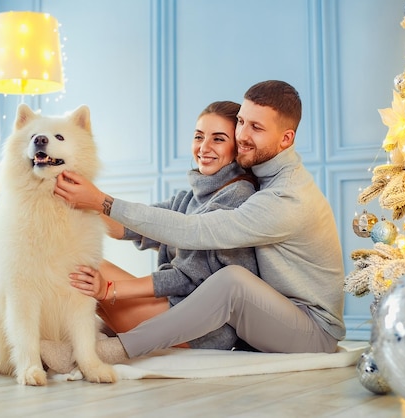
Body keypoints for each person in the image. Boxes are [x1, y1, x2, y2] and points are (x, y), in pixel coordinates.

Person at [54, 80, 346, 364]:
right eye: (241, 122)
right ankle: (76, 344)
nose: (243, 134)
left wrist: (101, 201)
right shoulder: (253, 180)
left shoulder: (286, 197)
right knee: (78, 260)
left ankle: (110, 352)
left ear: (286, 138)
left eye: (255, 128)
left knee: (234, 280)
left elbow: (194, 233)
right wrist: (63, 195)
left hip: (311, 330)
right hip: (261, 317)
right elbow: (139, 226)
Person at [69, 100, 259, 352]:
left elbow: (186, 279)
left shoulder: (237, 196)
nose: (204, 147)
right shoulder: (189, 198)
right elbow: (128, 226)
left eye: (218, 139)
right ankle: (74, 349)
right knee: (78, 271)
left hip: (202, 328)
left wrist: (109, 289)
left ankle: (83, 348)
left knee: (83, 268)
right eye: (199, 136)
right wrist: (76, 196)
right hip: (175, 305)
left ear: (237, 147)